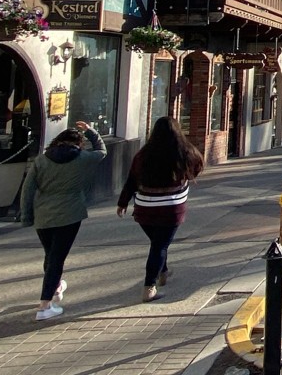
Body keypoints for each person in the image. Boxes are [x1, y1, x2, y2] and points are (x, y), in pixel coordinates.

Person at [20, 121, 106, 321]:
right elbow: (102, 151)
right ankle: (45, 305)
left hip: (43, 214)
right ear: (78, 144)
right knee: (56, 259)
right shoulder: (82, 158)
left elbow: (27, 188)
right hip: (70, 214)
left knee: (51, 256)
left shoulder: (41, 160)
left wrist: (26, 215)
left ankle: (56, 288)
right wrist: (91, 132)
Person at [116, 117, 205, 303]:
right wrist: (186, 176)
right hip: (171, 207)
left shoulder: (144, 154)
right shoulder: (184, 151)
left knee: (158, 243)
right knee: (159, 246)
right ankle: (149, 287)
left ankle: (163, 271)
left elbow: (132, 179)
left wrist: (123, 202)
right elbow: (199, 164)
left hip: (145, 208)